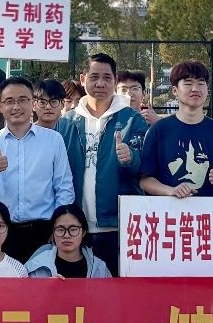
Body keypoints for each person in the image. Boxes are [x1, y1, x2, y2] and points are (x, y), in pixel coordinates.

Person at [59, 52, 148, 273]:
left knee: (116, 289)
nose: (100, 83)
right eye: (94, 77)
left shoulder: (131, 119)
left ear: (115, 81)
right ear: (82, 79)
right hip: (76, 227)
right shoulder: (66, 122)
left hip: (118, 225)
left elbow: (145, 169)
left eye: (107, 78)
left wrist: (130, 157)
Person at [0, 75, 76, 260]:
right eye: (9, 101)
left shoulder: (53, 140)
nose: (16, 107)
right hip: (2, 232)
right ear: (1, 105)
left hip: (43, 230)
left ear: (32, 103)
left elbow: (64, 186)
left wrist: (59, 226)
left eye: (22, 100)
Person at [139, 60, 213, 199]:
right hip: (166, 210)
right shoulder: (158, 130)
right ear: (175, 90)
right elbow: (144, 180)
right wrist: (170, 191)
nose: (195, 88)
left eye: (201, 83)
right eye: (188, 83)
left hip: (207, 211)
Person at [24, 203, 113, 278]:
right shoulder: (36, 266)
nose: (66, 235)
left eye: (73, 229)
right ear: (53, 232)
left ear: (83, 232)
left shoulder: (99, 268)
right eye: (60, 230)